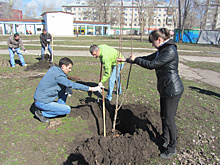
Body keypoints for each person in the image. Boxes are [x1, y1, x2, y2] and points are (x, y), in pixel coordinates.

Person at [117, 28, 184, 159]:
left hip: (172, 90)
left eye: (153, 42)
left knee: (169, 119)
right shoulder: (162, 49)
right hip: (165, 89)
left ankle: (172, 147)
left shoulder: (170, 50)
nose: (152, 45)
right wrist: (128, 60)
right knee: (164, 116)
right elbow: (148, 58)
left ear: (160, 40)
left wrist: (136, 60)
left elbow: (152, 64)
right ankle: (164, 138)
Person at [34, 57, 103, 123]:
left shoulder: (54, 69)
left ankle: (57, 107)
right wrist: (91, 88)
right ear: (63, 66)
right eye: (69, 68)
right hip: (42, 102)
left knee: (65, 92)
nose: (70, 70)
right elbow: (73, 85)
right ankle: (42, 113)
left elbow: (62, 82)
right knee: (67, 110)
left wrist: (66, 88)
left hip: (41, 97)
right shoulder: (59, 76)